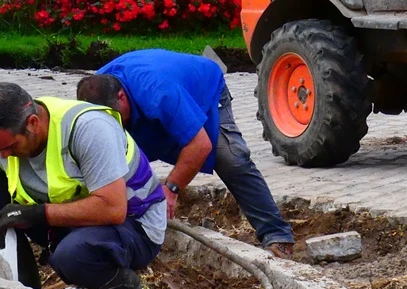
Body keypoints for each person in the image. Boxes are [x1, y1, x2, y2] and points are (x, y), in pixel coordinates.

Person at [0, 82, 167, 289]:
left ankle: (125, 288)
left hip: (134, 224)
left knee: (72, 255)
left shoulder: (88, 129)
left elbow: (113, 209)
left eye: (10, 147)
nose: (4, 155)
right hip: (67, 220)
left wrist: (35, 214)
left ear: (32, 122)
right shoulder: (0, 138)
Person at [76, 49, 295, 257]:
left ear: (121, 97)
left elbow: (200, 146)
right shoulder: (97, 94)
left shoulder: (159, 92)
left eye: (115, 118)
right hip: (156, 98)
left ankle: (277, 236)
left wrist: (171, 189)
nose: (113, 126)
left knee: (230, 159)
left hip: (204, 93)